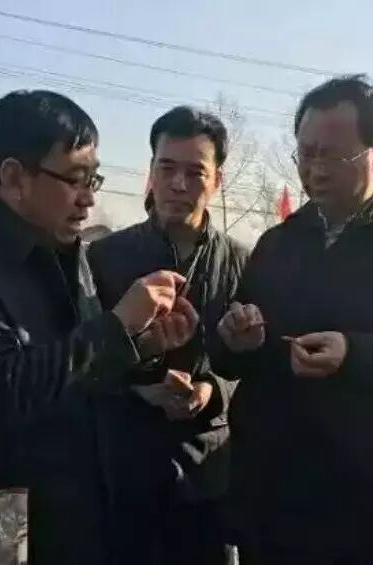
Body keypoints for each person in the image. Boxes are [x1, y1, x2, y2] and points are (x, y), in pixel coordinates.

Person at [0, 90, 199, 565]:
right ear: (14, 177)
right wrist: (117, 325)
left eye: (93, 178)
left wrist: (137, 346)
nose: (89, 198)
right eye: (75, 179)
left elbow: (78, 367)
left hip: (70, 516)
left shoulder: (64, 245)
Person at [214, 74, 373, 565]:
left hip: (368, 507)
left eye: (332, 155)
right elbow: (234, 355)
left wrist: (355, 354)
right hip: (274, 502)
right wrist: (236, 340)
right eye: (306, 153)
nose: (315, 169)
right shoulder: (278, 244)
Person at [88, 106, 247, 565]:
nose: (179, 184)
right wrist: (140, 387)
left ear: (217, 181)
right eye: (167, 168)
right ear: (151, 172)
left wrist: (211, 390)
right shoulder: (103, 259)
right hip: (124, 471)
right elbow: (79, 363)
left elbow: (257, 368)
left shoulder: (243, 263)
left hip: (207, 474)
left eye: (196, 172)